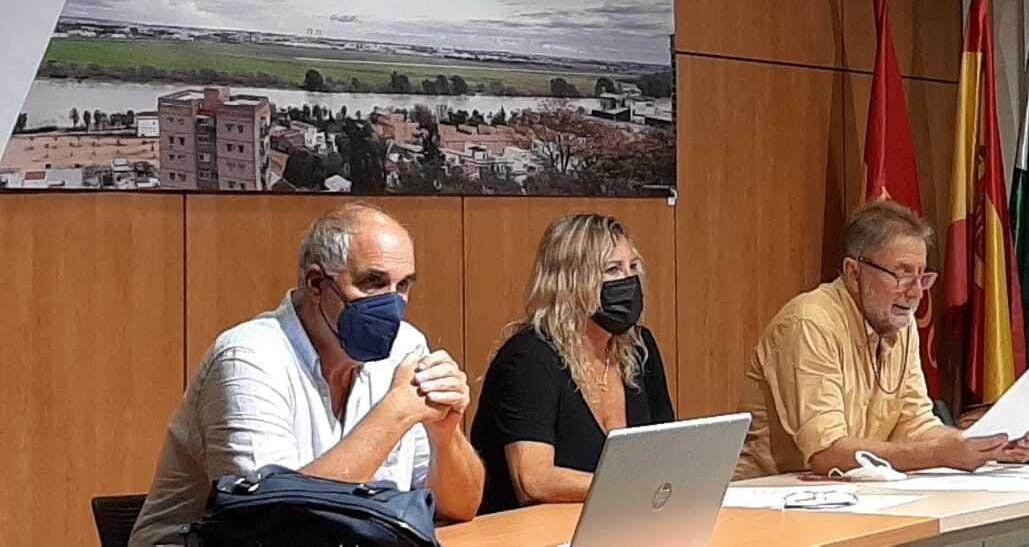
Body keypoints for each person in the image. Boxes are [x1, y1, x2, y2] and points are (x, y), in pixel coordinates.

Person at [130, 203, 484, 546]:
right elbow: (281, 524)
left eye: (403, 286)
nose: (392, 305)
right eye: (372, 283)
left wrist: (446, 433)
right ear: (317, 282)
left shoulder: (406, 346)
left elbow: (460, 507)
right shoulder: (248, 357)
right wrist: (396, 413)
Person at [735, 200, 1029, 479]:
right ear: (854, 273)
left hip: (851, 496)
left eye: (922, 276)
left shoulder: (901, 323)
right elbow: (827, 454)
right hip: (769, 499)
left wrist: (986, 443)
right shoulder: (810, 322)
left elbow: (914, 425)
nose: (915, 292)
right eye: (902, 274)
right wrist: (940, 455)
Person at [471, 214, 674, 512]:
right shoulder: (528, 359)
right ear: (570, 281)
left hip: (615, 523)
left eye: (633, 267)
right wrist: (633, 488)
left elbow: (666, 450)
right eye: (612, 270)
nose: (628, 282)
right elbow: (534, 481)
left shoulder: (639, 348)